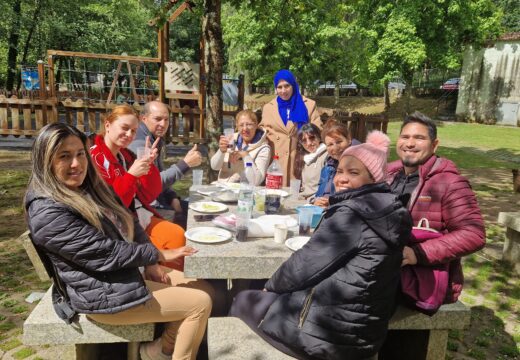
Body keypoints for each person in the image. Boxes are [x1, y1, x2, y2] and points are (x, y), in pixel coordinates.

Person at [24, 123, 212, 360]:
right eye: (64, 156)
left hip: (123, 274)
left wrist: (152, 260)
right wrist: (158, 255)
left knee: (206, 288)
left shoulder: (88, 186)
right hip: (101, 293)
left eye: (80, 154)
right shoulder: (48, 211)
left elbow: (129, 217)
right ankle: (167, 352)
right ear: (45, 160)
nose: (76, 163)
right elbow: (106, 253)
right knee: (199, 303)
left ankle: (156, 350)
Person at [229, 130, 412, 360]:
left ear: (374, 178)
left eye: (353, 172)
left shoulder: (352, 214)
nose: (341, 178)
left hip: (330, 339)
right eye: (340, 171)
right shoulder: (388, 210)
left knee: (241, 299)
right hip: (364, 332)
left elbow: (304, 264)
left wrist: (271, 286)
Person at [381, 112, 485, 359]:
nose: (409, 143)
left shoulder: (450, 183)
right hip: (383, 264)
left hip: (420, 275)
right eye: (405, 136)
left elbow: (474, 234)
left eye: (419, 138)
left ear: (434, 144)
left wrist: (417, 253)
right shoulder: (390, 175)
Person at [90, 105, 187, 271]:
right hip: (116, 228)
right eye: (125, 128)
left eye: (133, 131)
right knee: (173, 239)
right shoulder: (95, 158)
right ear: (107, 125)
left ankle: (170, 280)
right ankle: (164, 282)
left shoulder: (126, 155)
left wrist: (148, 166)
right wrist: (131, 176)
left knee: (177, 234)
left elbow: (149, 194)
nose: (129, 135)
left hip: (138, 218)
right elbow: (112, 205)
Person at [128, 101, 202, 227]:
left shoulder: (154, 138)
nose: (163, 124)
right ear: (143, 118)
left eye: (166, 120)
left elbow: (158, 174)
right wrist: (185, 164)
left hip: (160, 202)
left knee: (200, 211)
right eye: (157, 119)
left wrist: (173, 197)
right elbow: (154, 184)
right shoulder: (140, 144)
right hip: (146, 210)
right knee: (196, 221)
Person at [260, 69, 322, 186]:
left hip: (300, 160)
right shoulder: (268, 108)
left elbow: (318, 131)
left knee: (296, 197)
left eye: (287, 86)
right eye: (279, 87)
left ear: (293, 85)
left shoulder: (309, 105)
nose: (283, 91)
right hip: (276, 163)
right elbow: (261, 132)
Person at [210, 109, 271, 185]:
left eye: (249, 124)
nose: (245, 129)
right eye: (241, 125)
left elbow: (257, 181)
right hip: (222, 187)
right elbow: (214, 167)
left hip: (244, 191)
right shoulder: (231, 140)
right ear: (237, 127)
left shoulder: (263, 149)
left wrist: (245, 155)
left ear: (256, 125)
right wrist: (221, 151)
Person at [313, 120, 360, 208]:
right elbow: (318, 195)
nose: (335, 147)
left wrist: (331, 203)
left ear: (349, 139)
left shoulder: (360, 167)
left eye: (339, 142)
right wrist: (316, 202)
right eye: (330, 144)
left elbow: (359, 199)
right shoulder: (327, 168)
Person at [293, 123, 327, 199]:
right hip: (302, 198)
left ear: (319, 137)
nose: (308, 143)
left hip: (316, 201)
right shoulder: (304, 157)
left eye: (312, 138)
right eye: (304, 140)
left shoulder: (326, 156)